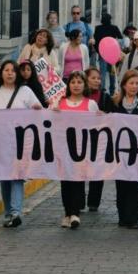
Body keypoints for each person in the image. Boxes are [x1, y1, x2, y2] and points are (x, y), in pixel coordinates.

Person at [0, 60, 42, 228]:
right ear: (1, 73)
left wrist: (36, 108)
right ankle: (9, 214)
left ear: (17, 74)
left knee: (17, 177)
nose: (9, 73)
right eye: (6, 70)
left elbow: (39, 109)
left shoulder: (25, 91)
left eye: (13, 70)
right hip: (0, 142)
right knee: (5, 178)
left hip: (21, 142)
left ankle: (15, 212)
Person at [52, 71, 99, 229]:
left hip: (82, 149)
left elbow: (97, 125)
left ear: (84, 85)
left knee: (78, 180)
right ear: (68, 85)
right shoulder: (60, 102)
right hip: (63, 148)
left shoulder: (90, 104)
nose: (76, 85)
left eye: (79, 82)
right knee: (65, 181)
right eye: (73, 82)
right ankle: (67, 212)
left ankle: (75, 213)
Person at [111, 69, 138, 229]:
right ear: (124, 85)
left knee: (135, 183)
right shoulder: (115, 102)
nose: (134, 86)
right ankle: (123, 216)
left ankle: (134, 216)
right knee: (121, 184)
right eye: (131, 83)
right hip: (119, 150)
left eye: (137, 83)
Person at [84, 67, 112, 212]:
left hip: (99, 140)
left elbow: (111, 117)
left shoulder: (105, 97)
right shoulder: (78, 96)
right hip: (81, 139)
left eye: (99, 78)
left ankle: (93, 202)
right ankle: (79, 200)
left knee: (97, 171)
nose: (97, 81)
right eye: (93, 78)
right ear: (86, 79)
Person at [93, 13, 123, 95]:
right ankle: (112, 90)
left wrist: (98, 51)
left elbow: (96, 42)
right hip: (112, 53)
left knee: (102, 72)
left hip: (103, 53)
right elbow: (120, 38)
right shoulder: (114, 28)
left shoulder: (98, 28)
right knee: (112, 72)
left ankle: (102, 90)